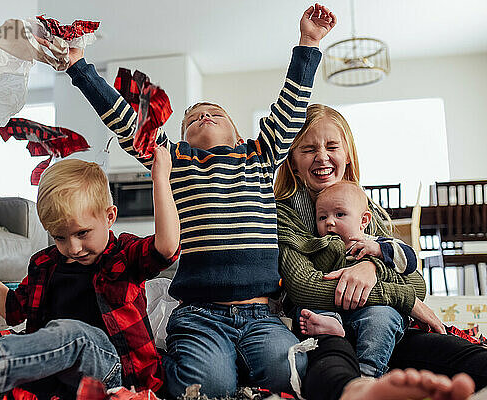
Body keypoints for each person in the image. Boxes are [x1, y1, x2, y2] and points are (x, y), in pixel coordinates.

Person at [55, 4, 335, 398]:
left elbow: (290, 109)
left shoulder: (259, 154)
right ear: (181, 135)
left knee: (286, 370)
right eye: (193, 117)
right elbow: (125, 120)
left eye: (214, 113)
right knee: (203, 387)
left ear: (238, 135)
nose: (204, 116)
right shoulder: (175, 160)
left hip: (260, 313)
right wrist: (79, 67)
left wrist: (309, 41)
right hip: (200, 314)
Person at [0, 152, 180, 399]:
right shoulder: (45, 264)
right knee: (12, 341)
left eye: (82, 233)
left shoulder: (124, 254)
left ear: (109, 217)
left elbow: (166, 248)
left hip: (116, 373)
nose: (73, 248)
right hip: (59, 375)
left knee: (74, 335)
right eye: (59, 237)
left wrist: (160, 179)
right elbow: (12, 309)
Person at [274, 103, 487, 400]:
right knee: (329, 369)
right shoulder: (283, 214)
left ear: (347, 156)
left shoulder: (365, 208)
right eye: (308, 149)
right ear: (292, 162)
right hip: (326, 328)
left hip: (381, 326)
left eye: (332, 146)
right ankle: (363, 388)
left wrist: (371, 268)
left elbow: (416, 282)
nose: (321, 156)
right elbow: (305, 288)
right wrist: (401, 297)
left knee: (468, 357)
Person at [282, 180, 424, 377]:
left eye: (340, 215)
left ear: (364, 221)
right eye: (322, 217)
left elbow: (410, 261)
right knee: (307, 311)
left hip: (371, 309)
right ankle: (333, 326)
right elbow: (308, 283)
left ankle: (369, 369)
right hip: (336, 309)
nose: (329, 222)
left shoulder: (376, 243)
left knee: (382, 318)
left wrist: (380, 253)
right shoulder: (321, 246)